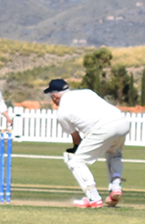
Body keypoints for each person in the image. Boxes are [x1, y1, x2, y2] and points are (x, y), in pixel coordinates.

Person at [44, 78, 131, 208]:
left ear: (55, 96)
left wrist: (76, 150)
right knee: (114, 153)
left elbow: (76, 138)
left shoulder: (62, 112)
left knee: (76, 161)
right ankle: (116, 186)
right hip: (122, 121)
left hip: (103, 127)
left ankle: (93, 198)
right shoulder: (86, 92)